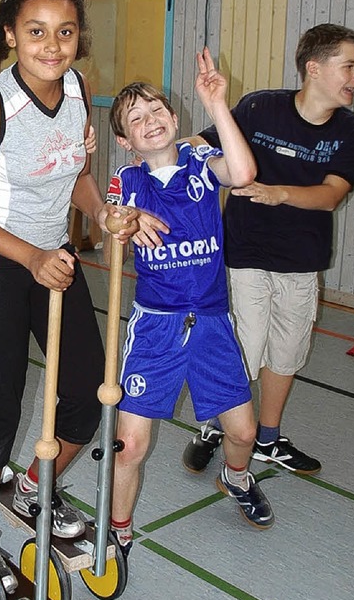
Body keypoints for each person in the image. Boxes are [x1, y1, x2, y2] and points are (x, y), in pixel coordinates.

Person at [0, 0, 134, 592]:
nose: (52, 46)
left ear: (78, 38)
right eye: (36, 32)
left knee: (87, 391)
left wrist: (99, 211)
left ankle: (30, 488)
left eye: (65, 32)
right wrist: (30, 255)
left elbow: (73, 172)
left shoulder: (78, 88)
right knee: (2, 399)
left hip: (50, 259)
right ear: (9, 36)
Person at [106, 52, 275, 556]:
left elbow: (243, 173)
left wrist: (218, 104)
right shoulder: (126, 183)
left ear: (175, 118)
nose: (149, 121)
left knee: (244, 433)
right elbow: (109, 223)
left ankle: (235, 477)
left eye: (155, 110)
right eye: (135, 120)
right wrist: (125, 221)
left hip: (212, 325)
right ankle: (117, 530)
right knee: (130, 444)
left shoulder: (201, 165)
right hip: (156, 328)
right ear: (125, 141)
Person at [183, 23, 354, 476]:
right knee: (245, 347)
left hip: (302, 261)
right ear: (314, 68)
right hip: (245, 253)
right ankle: (218, 426)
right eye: (350, 65)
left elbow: (330, 195)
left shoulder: (353, 131)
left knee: (286, 353)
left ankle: (267, 438)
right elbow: (205, 142)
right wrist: (158, 149)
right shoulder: (260, 107)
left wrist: (277, 193)